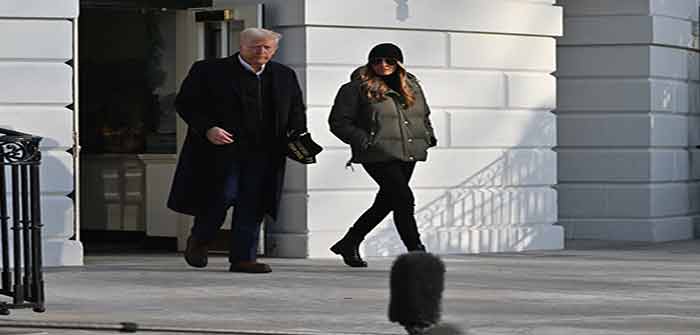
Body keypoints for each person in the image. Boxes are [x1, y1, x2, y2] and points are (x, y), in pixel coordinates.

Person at [167, 28, 308, 274]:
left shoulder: (284, 75)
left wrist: (299, 138)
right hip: (221, 150)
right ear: (241, 45)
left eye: (267, 47)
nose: (261, 51)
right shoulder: (208, 70)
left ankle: (244, 258)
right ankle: (200, 239)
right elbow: (185, 104)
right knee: (220, 197)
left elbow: (296, 110)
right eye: (256, 46)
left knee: (253, 204)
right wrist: (208, 128)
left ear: (274, 50)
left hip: (265, 152)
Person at [328, 43, 437, 267]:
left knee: (388, 201)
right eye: (377, 61)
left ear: (398, 63)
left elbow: (423, 115)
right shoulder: (355, 88)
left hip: (408, 151)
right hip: (376, 154)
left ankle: (350, 241)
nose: (383, 65)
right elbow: (339, 122)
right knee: (404, 200)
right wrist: (364, 141)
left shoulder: (412, 85)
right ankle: (416, 251)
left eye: (388, 61)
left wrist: (428, 136)